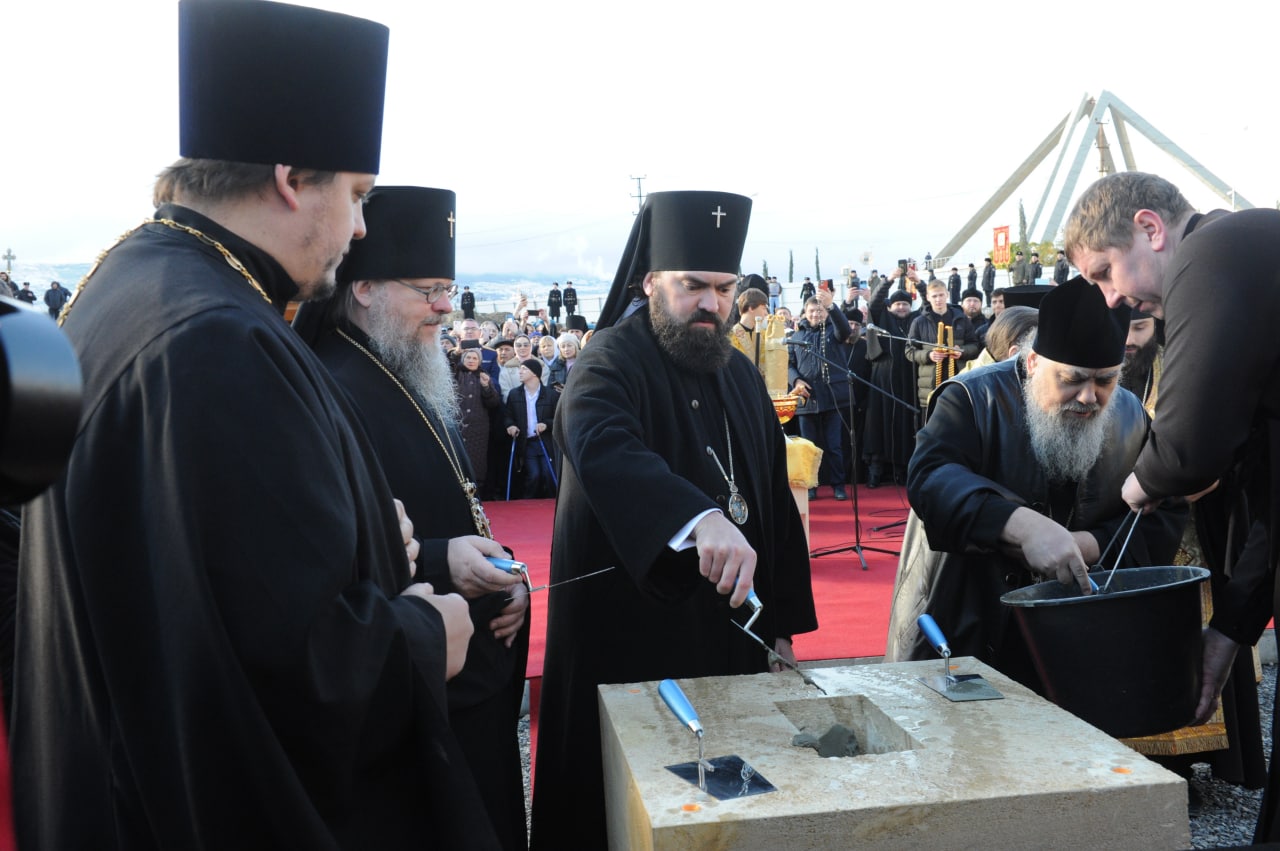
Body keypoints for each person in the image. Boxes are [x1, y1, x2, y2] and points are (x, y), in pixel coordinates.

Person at [10, 3, 498, 848]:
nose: (361, 227)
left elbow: (194, 576)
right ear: (290, 179)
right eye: (356, 195)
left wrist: (366, 538)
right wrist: (428, 633)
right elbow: (285, 671)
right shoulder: (220, 340)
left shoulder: (134, 279)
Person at [530, 190, 817, 850]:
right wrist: (697, 518)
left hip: (732, 640)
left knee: (727, 816)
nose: (711, 304)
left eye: (723, 288)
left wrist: (782, 628)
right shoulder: (609, 358)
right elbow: (598, 440)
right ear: (650, 281)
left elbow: (773, 506)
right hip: (636, 637)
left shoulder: (738, 372)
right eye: (692, 286)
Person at [296, 186, 530, 849]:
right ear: (364, 287)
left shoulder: (411, 367)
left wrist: (506, 576)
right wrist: (443, 563)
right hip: (411, 709)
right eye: (428, 290)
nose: (446, 306)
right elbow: (332, 563)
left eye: (448, 289)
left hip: (469, 682)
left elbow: (460, 507)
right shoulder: (330, 390)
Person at [1064, 172, 1280, 833]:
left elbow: (1188, 446)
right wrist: (1232, 627)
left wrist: (1141, 484)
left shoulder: (1214, 250)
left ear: (1150, 229)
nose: (1112, 298)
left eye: (1106, 272)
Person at [885, 277, 1186, 691]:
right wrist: (1021, 525)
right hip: (970, 625)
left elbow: (1164, 511)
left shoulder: (1131, 415)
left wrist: (1087, 544)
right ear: (1032, 363)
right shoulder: (971, 397)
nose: (1089, 397)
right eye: (1073, 379)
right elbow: (931, 479)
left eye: (1105, 381)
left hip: (1077, 635)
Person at [788, 291, 855, 500]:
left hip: (833, 398)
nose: (816, 314)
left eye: (820, 311)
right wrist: (796, 381)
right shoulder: (796, 337)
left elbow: (845, 330)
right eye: (812, 311)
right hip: (807, 399)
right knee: (808, 447)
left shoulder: (833, 332)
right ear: (805, 313)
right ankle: (810, 486)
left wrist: (832, 306)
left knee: (834, 446)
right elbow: (789, 364)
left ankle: (838, 485)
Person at [862, 283, 918, 488]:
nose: (901, 307)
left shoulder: (916, 320)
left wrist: (919, 283)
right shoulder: (883, 318)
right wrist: (888, 281)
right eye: (897, 304)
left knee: (905, 424)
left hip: (907, 379)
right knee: (878, 421)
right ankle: (876, 470)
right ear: (890, 306)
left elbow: (929, 306)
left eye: (905, 304)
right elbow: (874, 304)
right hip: (883, 378)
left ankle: (901, 470)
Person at [906, 279, 981, 412]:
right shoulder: (919, 322)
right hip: (930, 384)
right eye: (934, 296)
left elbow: (975, 346)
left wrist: (962, 351)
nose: (938, 299)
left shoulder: (961, 319)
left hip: (958, 379)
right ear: (928, 297)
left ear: (947, 294)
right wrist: (929, 355)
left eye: (941, 295)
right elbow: (909, 351)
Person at [503, 359, 559, 499]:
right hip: (526, 443)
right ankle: (528, 505)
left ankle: (552, 504)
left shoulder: (551, 395)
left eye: (524, 369)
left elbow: (559, 418)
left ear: (535, 373)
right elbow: (508, 416)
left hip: (546, 442)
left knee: (548, 474)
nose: (520, 372)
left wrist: (546, 424)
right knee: (534, 475)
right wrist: (510, 425)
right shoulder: (514, 394)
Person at [1119, 308, 1161, 416]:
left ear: (1155, 326)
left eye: (1139, 328)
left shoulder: (1173, 365)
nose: (1128, 341)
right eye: (1120, 326)